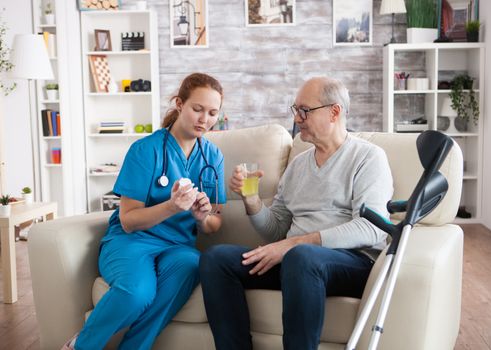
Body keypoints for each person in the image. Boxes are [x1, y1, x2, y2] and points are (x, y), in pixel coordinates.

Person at [199, 77, 394, 350]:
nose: (297, 118)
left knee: (301, 257)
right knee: (216, 259)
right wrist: (251, 200)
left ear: (334, 112)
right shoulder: (299, 165)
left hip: (352, 262)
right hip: (296, 263)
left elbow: (372, 228)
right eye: (296, 110)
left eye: (305, 110)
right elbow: (277, 229)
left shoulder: (368, 157)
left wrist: (293, 245)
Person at [62, 73, 227, 350]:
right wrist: (171, 206)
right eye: (197, 109)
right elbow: (128, 221)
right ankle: (82, 345)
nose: (204, 119)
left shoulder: (213, 156)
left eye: (212, 113)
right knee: (137, 294)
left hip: (178, 246)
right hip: (132, 241)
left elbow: (215, 223)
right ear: (179, 104)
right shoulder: (145, 150)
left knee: (192, 264)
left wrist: (202, 218)